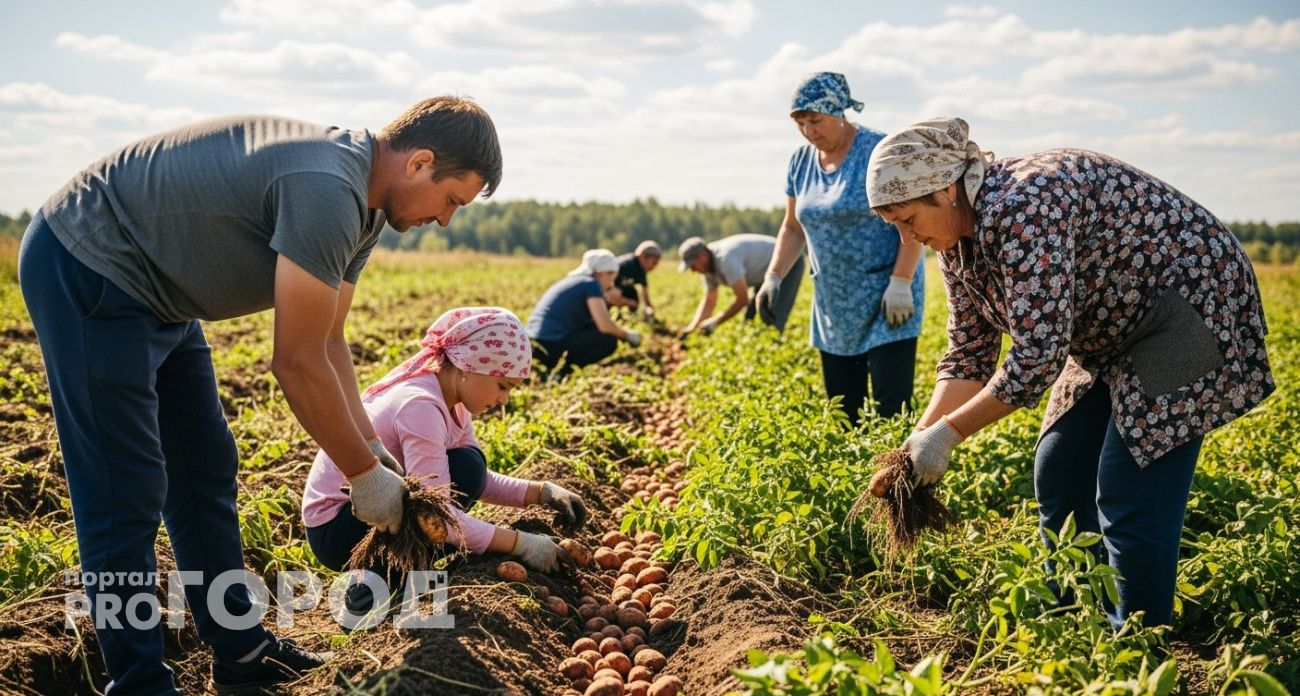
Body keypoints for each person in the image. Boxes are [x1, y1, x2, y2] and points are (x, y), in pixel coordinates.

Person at [17, 96, 502, 695]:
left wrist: (374, 451)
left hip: (162, 292)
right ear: (420, 162)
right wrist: (360, 474)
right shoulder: (328, 188)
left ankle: (243, 653)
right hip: (91, 260)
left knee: (204, 467)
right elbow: (295, 362)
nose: (447, 219)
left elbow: (328, 342)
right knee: (125, 490)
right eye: (452, 199)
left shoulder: (370, 209)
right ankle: (140, 683)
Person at [865, 117, 1275, 630]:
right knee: (1059, 468)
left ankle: (1138, 641)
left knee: (1129, 486)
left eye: (908, 219)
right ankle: (1073, 622)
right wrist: (918, 441)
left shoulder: (1025, 206)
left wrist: (949, 435)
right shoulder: (956, 243)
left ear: (946, 190)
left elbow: (1037, 357)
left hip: (1188, 305)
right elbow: (969, 354)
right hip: (1109, 325)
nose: (907, 236)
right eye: (894, 226)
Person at [302, 308, 587, 608]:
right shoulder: (421, 406)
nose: (504, 400)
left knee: (469, 466)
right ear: (469, 365)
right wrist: (521, 544)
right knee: (465, 470)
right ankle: (371, 591)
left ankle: (403, 570)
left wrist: (541, 492)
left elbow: (476, 482)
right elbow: (440, 514)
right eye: (502, 386)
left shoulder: (453, 402)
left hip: (370, 510)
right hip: (339, 525)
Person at [760, 72, 924, 425]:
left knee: (891, 410)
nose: (809, 131)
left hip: (887, 297)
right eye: (801, 124)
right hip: (834, 302)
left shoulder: (878, 153)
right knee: (843, 412)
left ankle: (899, 478)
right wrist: (773, 277)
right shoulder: (799, 162)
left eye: (816, 121)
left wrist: (901, 282)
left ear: (839, 112)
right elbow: (792, 227)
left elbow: (911, 219)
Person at [527, 249, 642, 377]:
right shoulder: (591, 284)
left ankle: (554, 371)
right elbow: (604, 325)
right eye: (612, 278)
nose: (612, 284)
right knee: (608, 341)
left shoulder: (573, 281)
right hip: (551, 345)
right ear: (603, 273)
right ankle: (561, 373)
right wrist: (627, 335)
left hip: (532, 346)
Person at [679, 233, 803, 335]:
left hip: (788, 261)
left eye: (693, 265)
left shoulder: (726, 260)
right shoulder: (707, 270)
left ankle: (774, 345)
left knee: (773, 317)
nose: (693, 270)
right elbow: (709, 301)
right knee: (749, 316)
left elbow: (742, 300)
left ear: (703, 256)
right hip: (763, 273)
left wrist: (715, 322)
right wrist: (691, 328)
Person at [607, 240, 662, 317]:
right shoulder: (625, 265)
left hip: (616, 289)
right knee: (617, 295)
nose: (654, 267)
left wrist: (650, 309)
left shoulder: (640, 268)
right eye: (654, 262)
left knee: (633, 295)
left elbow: (644, 292)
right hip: (605, 292)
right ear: (642, 256)